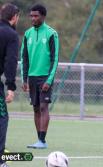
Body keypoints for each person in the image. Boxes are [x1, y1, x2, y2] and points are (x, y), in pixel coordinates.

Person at [21, 4, 59, 149]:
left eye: (36, 16)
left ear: (43, 16)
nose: (33, 18)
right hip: (31, 77)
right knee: (36, 108)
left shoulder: (51, 33)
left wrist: (49, 79)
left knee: (44, 107)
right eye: (31, 16)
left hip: (45, 77)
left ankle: (42, 140)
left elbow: (55, 58)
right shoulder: (27, 34)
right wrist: (24, 79)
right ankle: (39, 139)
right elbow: (24, 57)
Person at [0, 3, 20, 167]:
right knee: (2, 118)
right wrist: (11, 87)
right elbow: (10, 62)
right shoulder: (11, 34)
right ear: (14, 17)